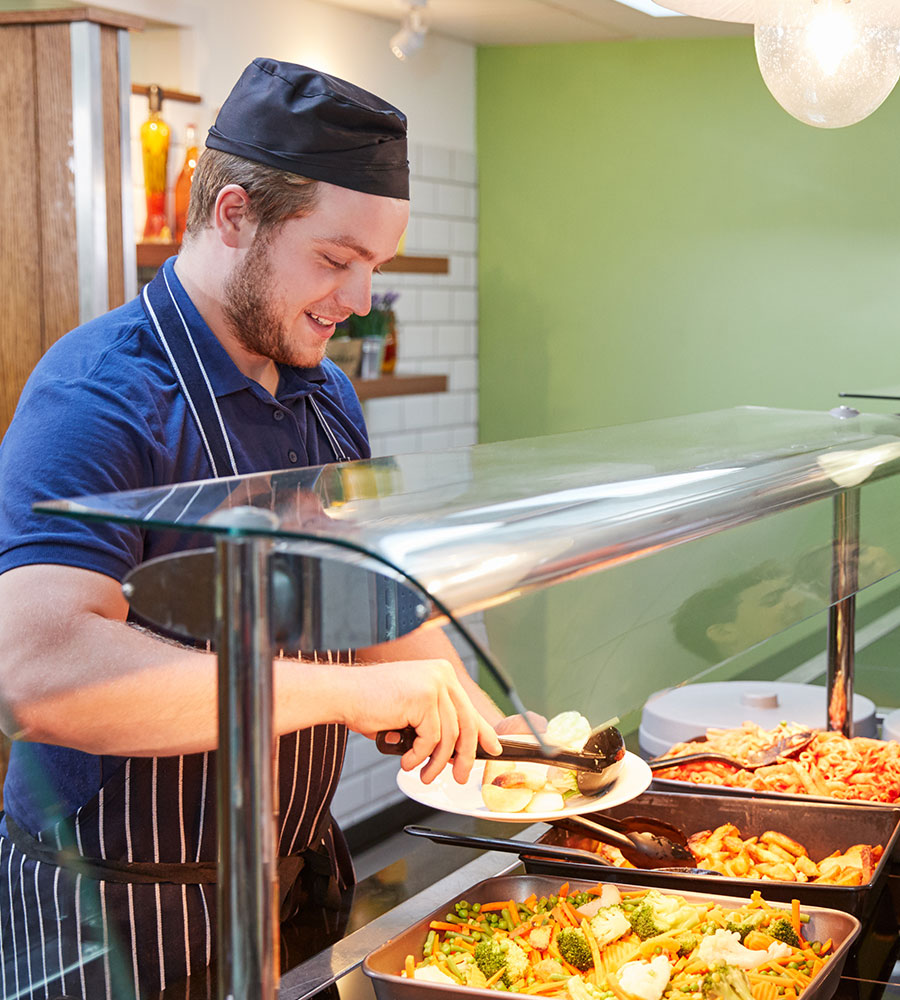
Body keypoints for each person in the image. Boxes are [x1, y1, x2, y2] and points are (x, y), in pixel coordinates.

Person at [0, 59, 523, 999]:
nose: (360, 299)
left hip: (294, 882)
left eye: (377, 267)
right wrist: (344, 698)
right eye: (335, 260)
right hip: (124, 921)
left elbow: (361, 595)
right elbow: (39, 674)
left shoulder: (327, 399)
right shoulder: (96, 394)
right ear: (235, 214)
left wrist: (504, 739)